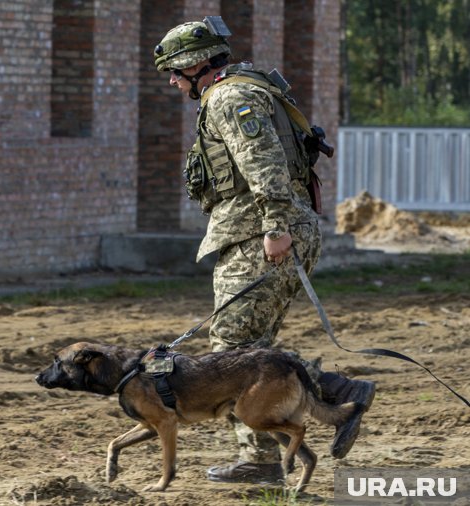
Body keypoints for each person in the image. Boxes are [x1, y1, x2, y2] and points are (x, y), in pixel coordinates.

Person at [153, 18, 376, 484]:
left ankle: (265, 456)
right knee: (252, 351)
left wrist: (275, 228)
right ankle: (334, 395)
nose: (173, 81)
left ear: (197, 64)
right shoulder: (245, 90)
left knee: (232, 353)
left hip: (264, 235)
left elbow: (264, 163)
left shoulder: (229, 97)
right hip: (272, 231)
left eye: (175, 70)